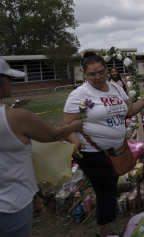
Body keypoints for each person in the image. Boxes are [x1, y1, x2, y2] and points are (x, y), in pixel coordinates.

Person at [63, 51, 144, 237]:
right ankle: (103, 233)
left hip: (115, 150)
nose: (98, 77)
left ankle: (105, 232)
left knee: (108, 189)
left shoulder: (116, 88)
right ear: (84, 74)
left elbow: (130, 110)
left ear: (107, 70)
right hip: (90, 150)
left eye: (101, 72)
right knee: (106, 190)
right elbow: (68, 126)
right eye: (92, 74)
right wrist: (75, 142)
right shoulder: (80, 95)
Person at [0, 58, 83, 237]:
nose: (12, 83)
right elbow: (52, 135)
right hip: (11, 205)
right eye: (9, 78)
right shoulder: (15, 117)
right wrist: (73, 127)